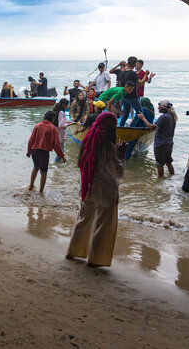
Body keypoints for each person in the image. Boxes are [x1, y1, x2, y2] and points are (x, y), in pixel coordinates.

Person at [66, 112, 126, 267]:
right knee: (102, 226)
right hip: (105, 191)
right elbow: (118, 172)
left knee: (83, 220)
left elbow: (81, 165)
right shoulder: (108, 147)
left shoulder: (87, 142)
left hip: (87, 188)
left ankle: (73, 251)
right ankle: (96, 259)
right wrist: (121, 155)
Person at [27, 110, 66, 193]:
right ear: (52, 118)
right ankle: (41, 191)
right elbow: (56, 144)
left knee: (35, 167)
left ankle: (31, 185)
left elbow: (31, 139)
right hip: (44, 152)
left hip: (34, 151)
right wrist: (62, 155)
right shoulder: (52, 128)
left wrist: (28, 151)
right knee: (44, 172)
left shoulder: (37, 126)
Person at [137, 100, 177, 176]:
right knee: (169, 162)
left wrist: (143, 118)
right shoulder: (172, 117)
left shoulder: (163, 117)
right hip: (169, 143)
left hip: (160, 144)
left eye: (159, 106)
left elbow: (151, 127)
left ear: (164, 108)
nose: (158, 108)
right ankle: (172, 178)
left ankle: (160, 181)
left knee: (159, 164)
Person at [118, 57, 143, 127]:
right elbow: (140, 83)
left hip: (123, 96)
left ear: (127, 63)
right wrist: (146, 75)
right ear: (135, 64)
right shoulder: (133, 73)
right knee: (140, 112)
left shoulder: (122, 73)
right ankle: (132, 126)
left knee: (126, 113)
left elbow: (120, 85)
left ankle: (121, 126)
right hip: (132, 96)